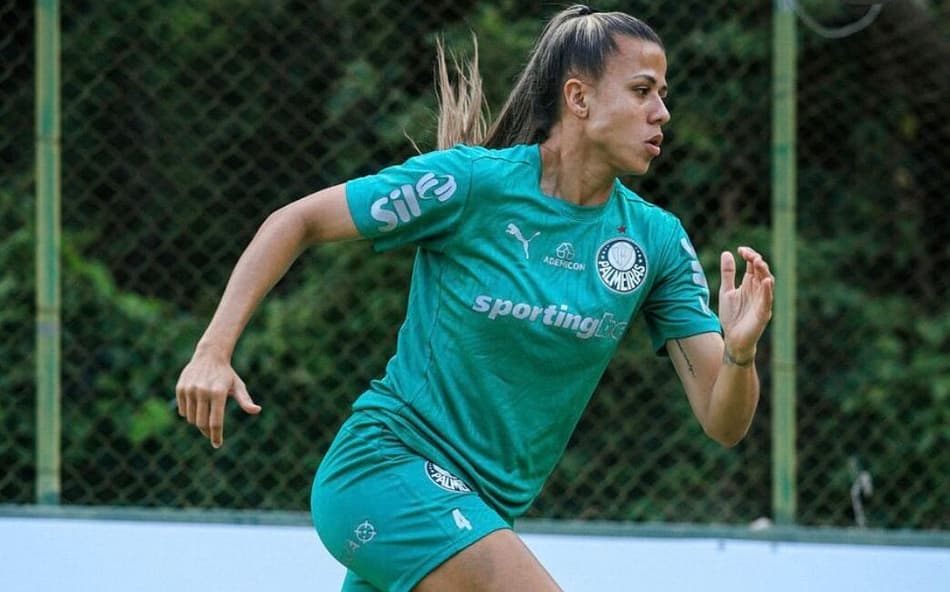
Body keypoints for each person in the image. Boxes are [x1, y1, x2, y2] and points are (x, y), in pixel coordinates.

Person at [175, 4, 774, 591]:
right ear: (579, 99)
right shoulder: (469, 184)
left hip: (475, 514)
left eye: (663, 94)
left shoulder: (657, 242)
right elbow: (296, 221)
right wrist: (213, 350)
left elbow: (723, 424)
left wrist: (741, 354)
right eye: (643, 91)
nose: (662, 112)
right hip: (385, 470)